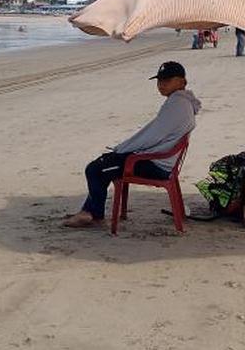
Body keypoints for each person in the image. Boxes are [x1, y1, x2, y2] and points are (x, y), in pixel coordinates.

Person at [63, 61, 201, 228]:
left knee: (95, 169)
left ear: (182, 82)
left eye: (167, 80)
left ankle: (92, 214)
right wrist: (122, 150)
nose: (161, 84)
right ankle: (89, 211)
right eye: (159, 81)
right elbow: (154, 135)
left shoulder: (177, 104)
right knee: (104, 164)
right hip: (159, 160)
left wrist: (121, 149)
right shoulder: (181, 101)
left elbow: (152, 137)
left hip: (157, 165)